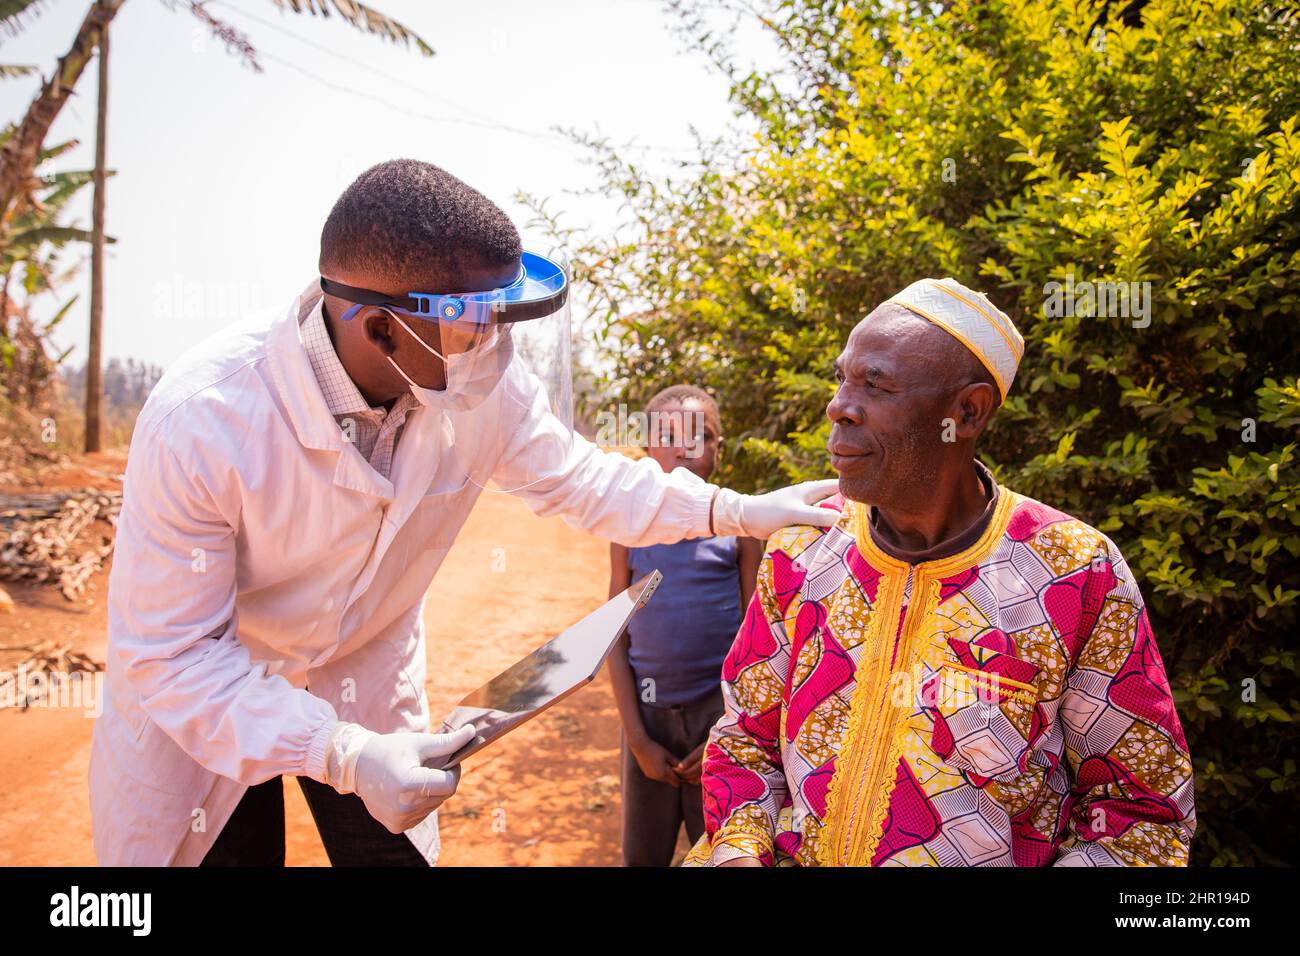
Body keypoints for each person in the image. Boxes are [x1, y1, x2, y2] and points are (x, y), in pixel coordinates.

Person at [88, 159, 837, 866]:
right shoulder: (203, 420)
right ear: (382, 328)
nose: (498, 345)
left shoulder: (474, 385)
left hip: (363, 675)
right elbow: (177, 656)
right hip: (211, 699)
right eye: (477, 323)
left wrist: (736, 510)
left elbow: (582, 479)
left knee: (391, 855)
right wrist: (340, 752)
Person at [684, 277, 1196, 867]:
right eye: (843, 379)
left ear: (967, 411)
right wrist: (741, 851)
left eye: (875, 385)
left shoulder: (1076, 573)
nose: (839, 406)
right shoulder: (803, 548)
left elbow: (1141, 814)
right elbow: (746, 739)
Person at [606, 385, 764, 866]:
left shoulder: (739, 527)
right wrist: (637, 740)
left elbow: (755, 643)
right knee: (643, 855)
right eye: (671, 436)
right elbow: (614, 634)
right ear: (648, 448)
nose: (687, 448)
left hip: (717, 725)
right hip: (646, 722)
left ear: (718, 449)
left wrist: (722, 733)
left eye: (703, 436)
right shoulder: (628, 526)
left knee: (717, 851)